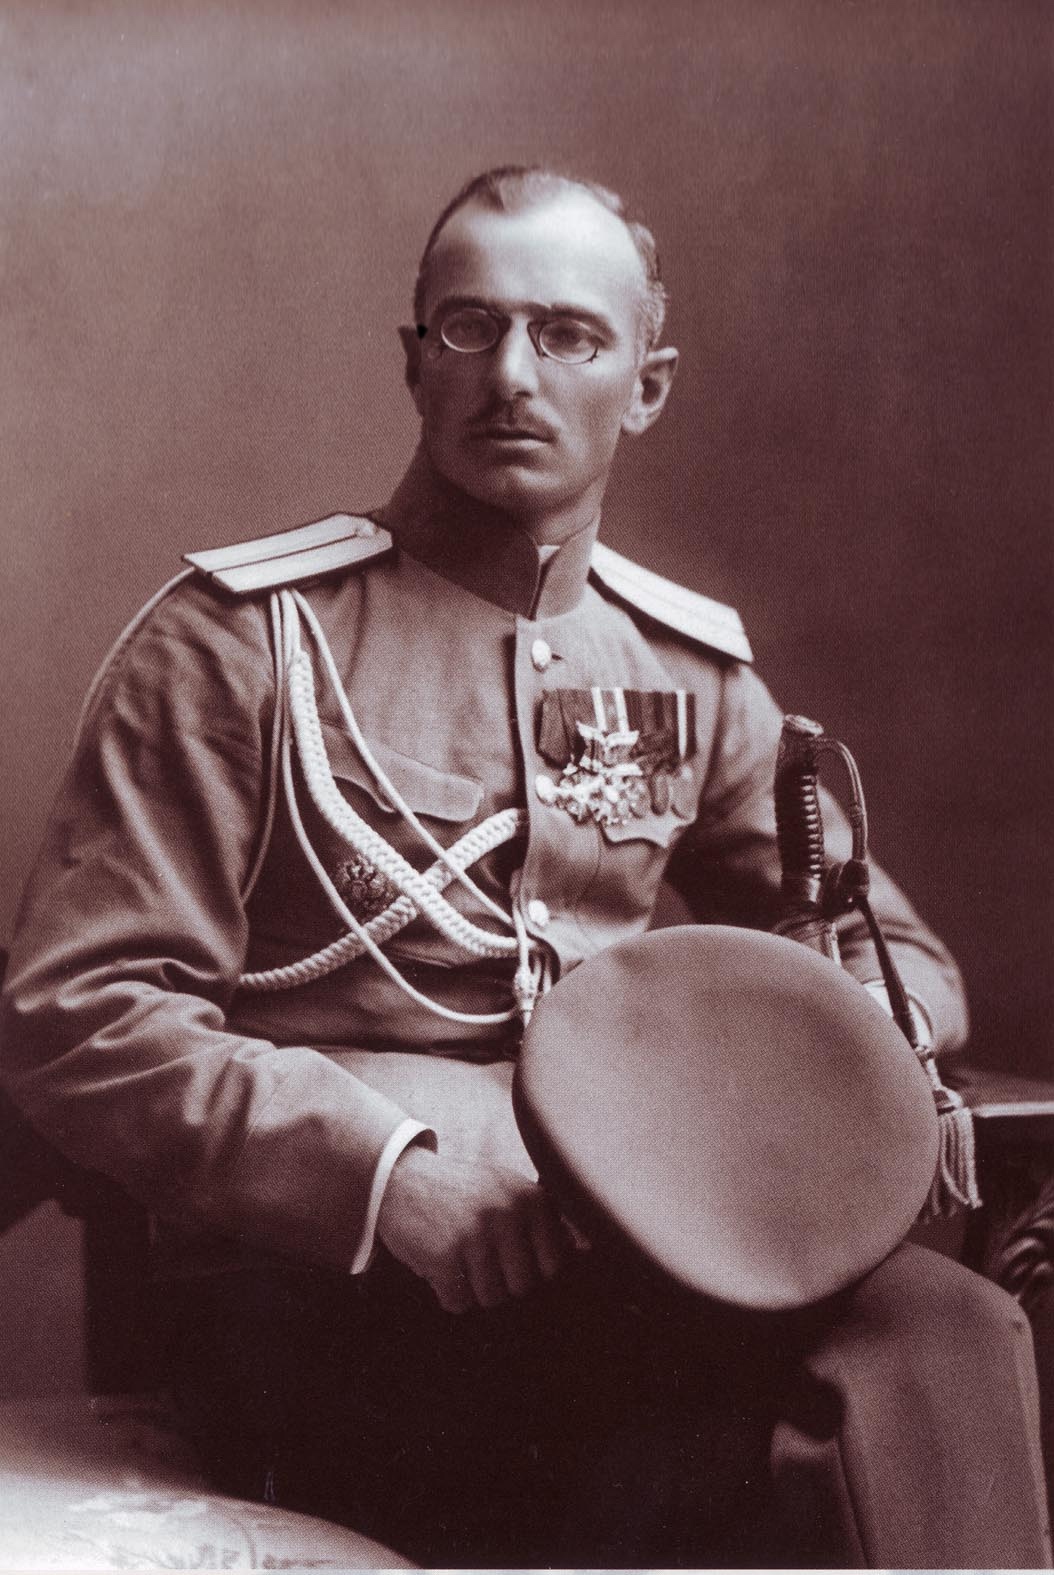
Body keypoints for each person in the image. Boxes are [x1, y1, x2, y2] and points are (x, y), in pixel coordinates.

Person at [1, 166, 1049, 1567]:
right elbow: (82, 1015)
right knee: (696, 1453)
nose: (511, 375)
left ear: (645, 386)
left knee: (947, 1329)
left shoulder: (682, 669)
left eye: (568, 335)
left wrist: (809, 1091)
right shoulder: (239, 642)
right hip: (333, 1282)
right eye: (471, 327)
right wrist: (386, 1176)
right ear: (415, 363)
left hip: (627, 1254)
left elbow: (888, 953)